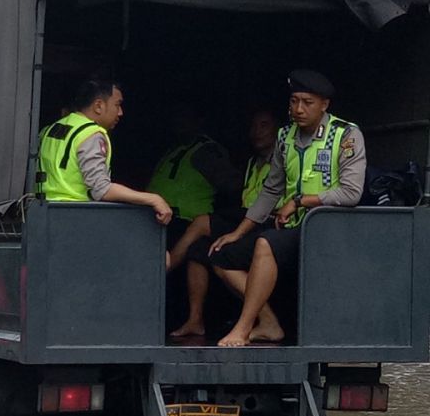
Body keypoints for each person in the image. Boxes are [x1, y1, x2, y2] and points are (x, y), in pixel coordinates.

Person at [209, 70, 366, 347]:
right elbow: (271, 189)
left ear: (324, 105)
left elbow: (351, 193)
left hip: (327, 229)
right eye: (294, 101)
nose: (298, 109)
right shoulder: (285, 136)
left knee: (266, 243)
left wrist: (300, 201)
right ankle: (268, 323)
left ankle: (243, 328)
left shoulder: (345, 135)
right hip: (293, 228)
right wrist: (238, 231)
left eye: (307, 102)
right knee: (223, 256)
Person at [170, 108, 280, 337]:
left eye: (264, 125)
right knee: (198, 249)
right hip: (246, 217)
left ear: (279, 130)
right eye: (254, 127)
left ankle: (165, 268)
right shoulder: (253, 162)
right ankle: (195, 320)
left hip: (267, 220)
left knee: (205, 227)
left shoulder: (284, 160)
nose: (257, 132)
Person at [37, 78, 172, 225]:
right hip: (76, 218)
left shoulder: (51, 129)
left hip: (41, 213)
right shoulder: (91, 134)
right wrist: (153, 199)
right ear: (99, 106)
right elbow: (101, 189)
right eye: (117, 104)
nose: (120, 112)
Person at [148, 99, 242, 263]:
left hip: (183, 222)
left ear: (198, 121)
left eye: (185, 117)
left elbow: (232, 185)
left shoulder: (206, 150)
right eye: (178, 117)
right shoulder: (175, 149)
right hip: (157, 218)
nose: (179, 122)